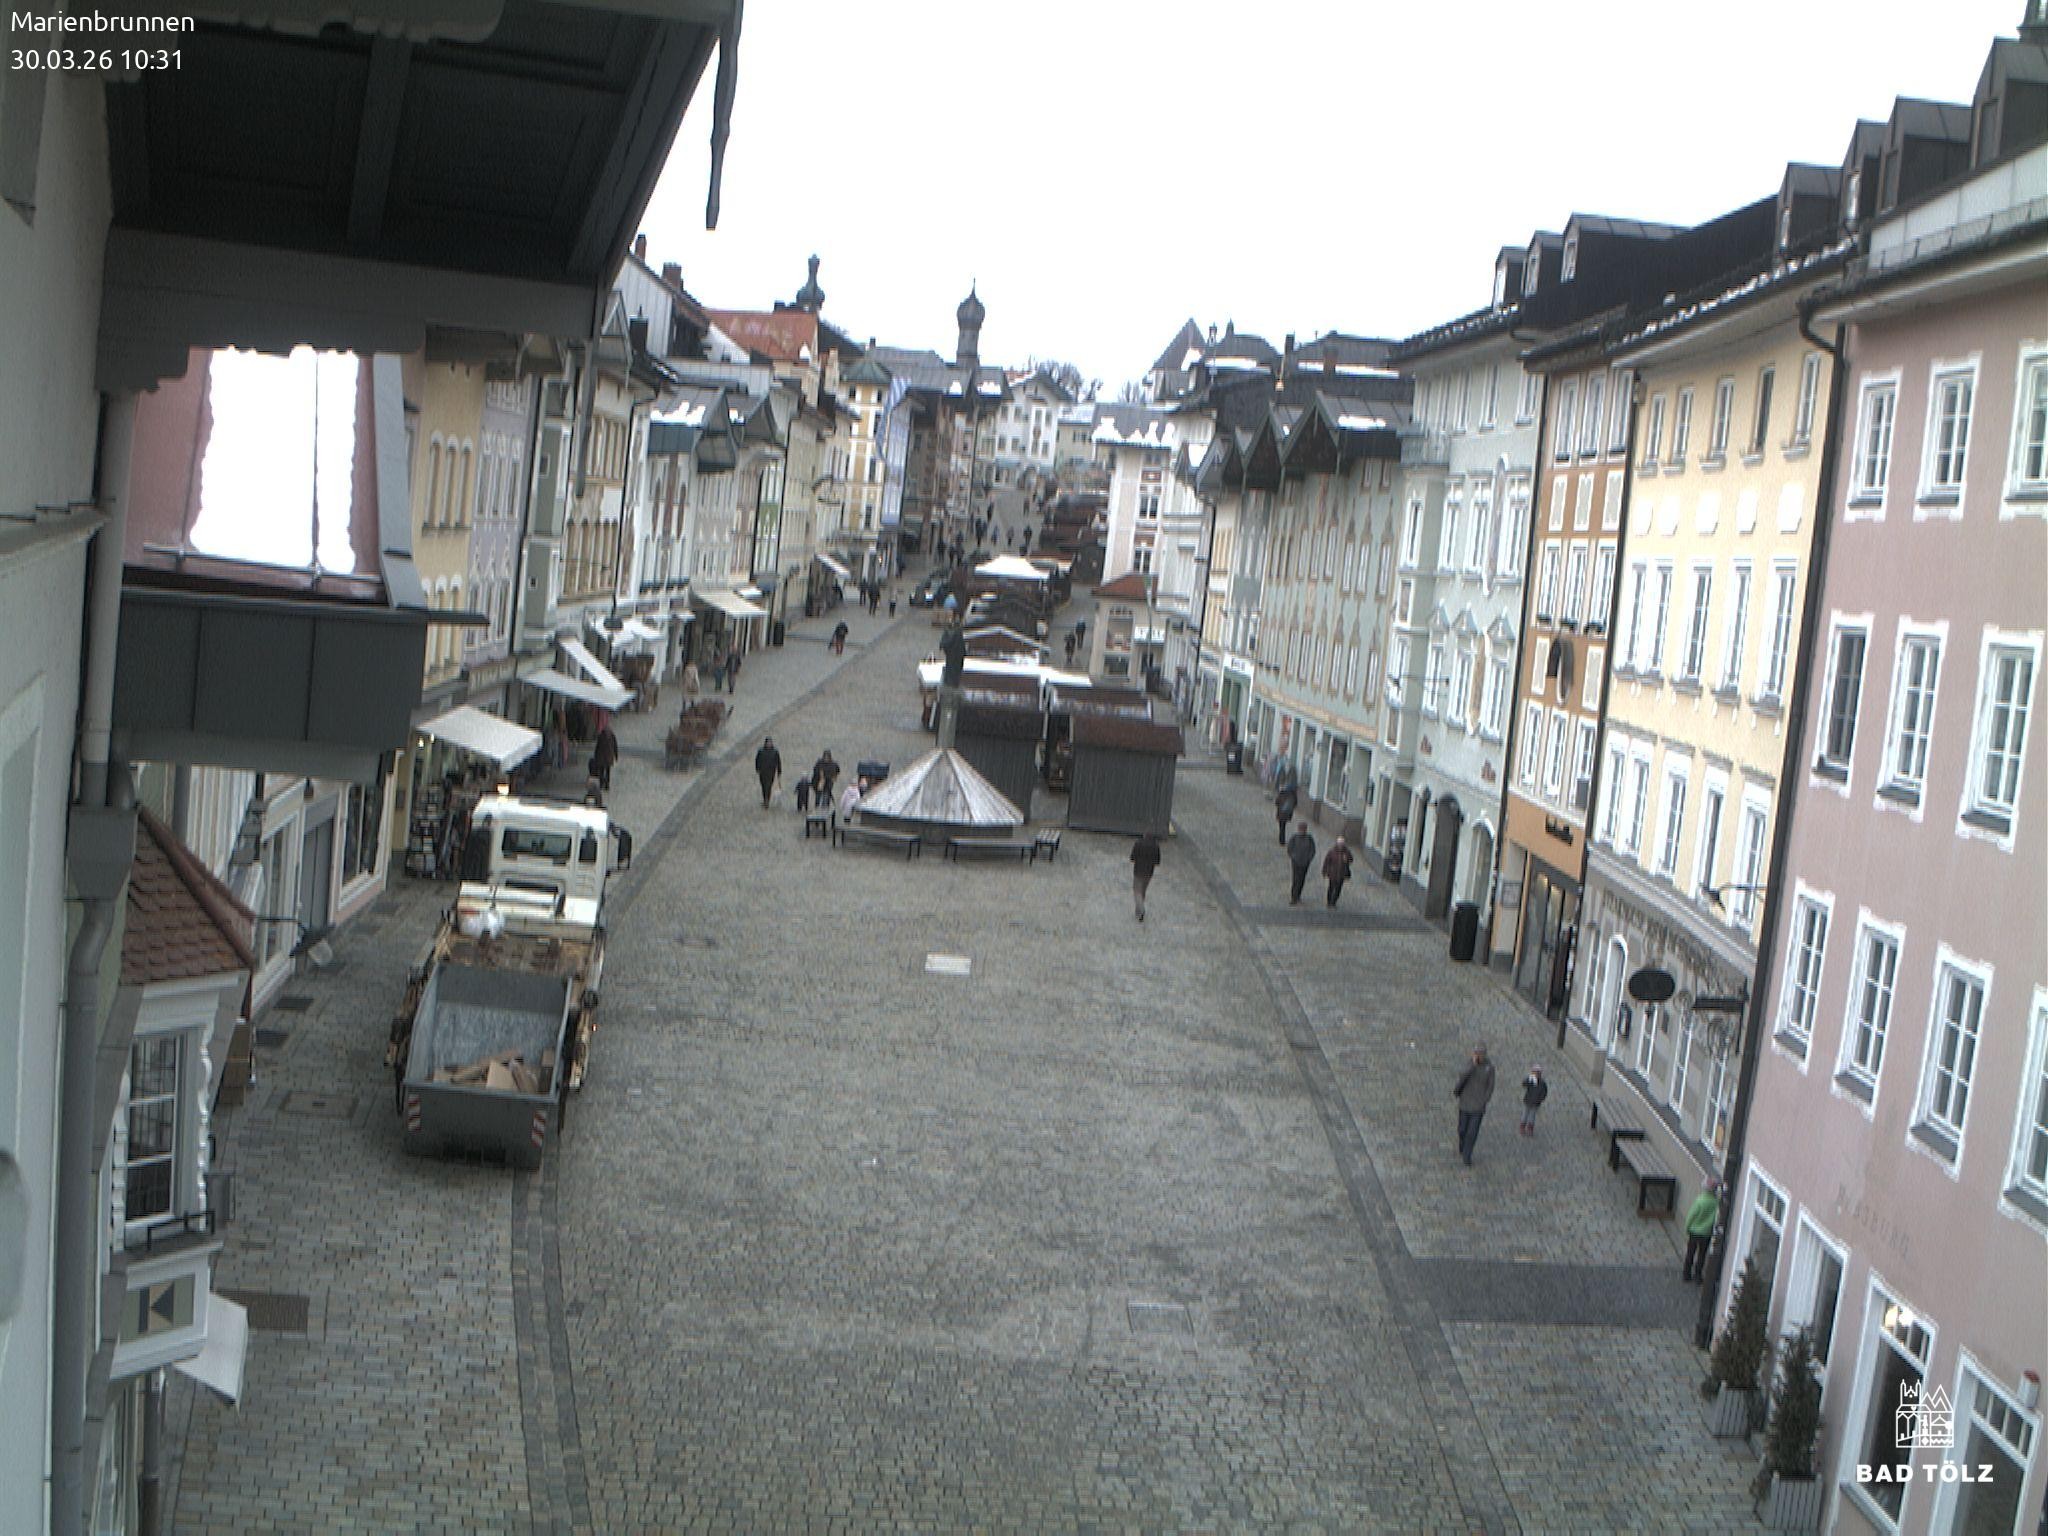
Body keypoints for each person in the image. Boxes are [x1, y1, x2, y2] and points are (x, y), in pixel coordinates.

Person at [1453, 1046, 1496, 1166]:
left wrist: (1484, 1100)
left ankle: (1467, 1155)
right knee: (1462, 1129)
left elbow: (1490, 1086)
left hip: (1478, 1106)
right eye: (1477, 1054)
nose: (1479, 1056)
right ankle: (1462, 1145)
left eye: (1481, 1054)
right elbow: (1462, 1076)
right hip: (1465, 1102)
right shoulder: (1469, 1064)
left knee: (1472, 1132)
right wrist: (1473, 1066)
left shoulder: (1489, 1068)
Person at [1682, 1178, 1722, 1283]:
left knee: (1690, 1253)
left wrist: (1687, 1227)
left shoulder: (1700, 1201)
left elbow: (1691, 1215)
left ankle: (1686, 1274)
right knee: (1702, 1255)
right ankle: (1698, 1275)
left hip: (1694, 1232)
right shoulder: (1716, 1203)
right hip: (1706, 1233)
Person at [1130, 831, 1161, 922]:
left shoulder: (1138, 843)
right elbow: (1157, 861)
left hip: (1138, 871)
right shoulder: (1156, 846)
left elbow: (1132, 857)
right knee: (1143, 891)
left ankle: (1141, 909)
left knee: (1137, 891)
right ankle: (1138, 911)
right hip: (1149, 872)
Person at [1287, 821, 1317, 905]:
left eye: (1304, 829)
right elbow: (1290, 849)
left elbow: (1312, 850)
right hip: (1296, 862)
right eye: (1301, 829)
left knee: (1302, 880)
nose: (1302, 830)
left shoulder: (1309, 838)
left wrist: (1309, 859)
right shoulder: (1294, 838)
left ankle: (1298, 895)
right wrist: (1293, 857)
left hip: (1305, 863)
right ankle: (1294, 897)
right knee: (1296, 879)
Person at [1322, 836, 1354, 908]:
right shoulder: (1332, 851)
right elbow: (1326, 862)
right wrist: (1324, 871)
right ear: (1337, 843)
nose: (1340, 845)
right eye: (1339, 843)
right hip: (1333, 873)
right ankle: (1329, 902)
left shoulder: (1347, 852)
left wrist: (1347, 859)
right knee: (1331, 888)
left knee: (1338, 889)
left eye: (1342, 843)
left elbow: (1351, 860)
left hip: (1342, 874)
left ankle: (1333, 902)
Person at [590, 718, 619, 792]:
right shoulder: (612, 736)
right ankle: (607, 785)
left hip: (601, 757)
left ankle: (601, 783)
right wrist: (616, 756)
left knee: (601, 771)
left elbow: (597, 747)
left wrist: (596, 755)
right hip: (609, 757)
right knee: (607, 772)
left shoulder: (601, 736)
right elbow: (615, 746)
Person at [1519, 1066, 1548, 1136]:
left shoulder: (1542, 1083)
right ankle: (1522, 1127)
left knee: (1532, 1116)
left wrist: (1540, 1099)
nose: (1536, 1075)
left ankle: (1530, 1128)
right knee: (1524, 1115)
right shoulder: (1530, 1080)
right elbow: (1524, 1084)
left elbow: (1544, 1092)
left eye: (1537, 1073)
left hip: (1535, 1103)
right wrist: (1528, 1079)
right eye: (1534, 1073)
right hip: (1528, 1101)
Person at [754, 735, 781, 808]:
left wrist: (779, 771)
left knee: (768, 786)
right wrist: (757, 768)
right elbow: (757, 760)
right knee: (763, 786)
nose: (769, 744)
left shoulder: (775, 752)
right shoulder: (761, 751)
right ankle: (765, 798)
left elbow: (778, 762)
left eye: (770, 743)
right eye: (768, 743)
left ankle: (767, 800)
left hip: (771, 772)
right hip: (763, 772)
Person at [1275, 781, 1299, 848]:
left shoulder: (1282, 793)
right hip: (1287, 814)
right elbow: (1295, 804)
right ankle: (1282, 839)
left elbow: (1276, 802)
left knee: (1281, 826)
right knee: (1283, 826)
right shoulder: (1293, 795)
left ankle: (1281, 840)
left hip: (1280, 813)